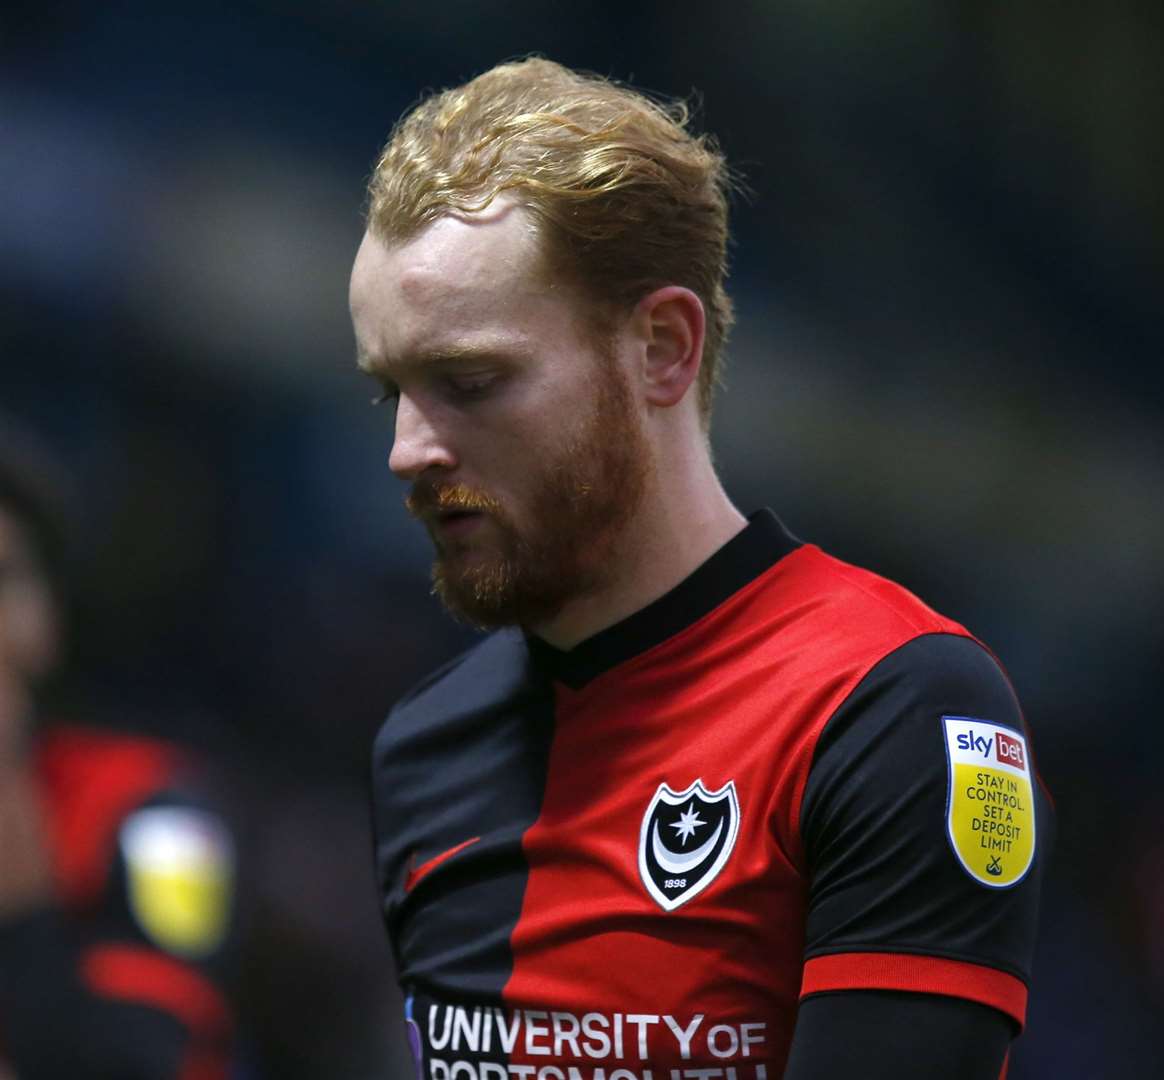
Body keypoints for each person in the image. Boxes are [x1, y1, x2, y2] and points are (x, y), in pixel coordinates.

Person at [352, 58, 1052, 1080]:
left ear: (663, 350)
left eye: (469, 382)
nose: (410, 450)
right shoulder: (421, 747)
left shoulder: (894, 706)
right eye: (393, 393)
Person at [0, 424, 237, 1079]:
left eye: (2, 578)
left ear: (50, 614)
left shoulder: (169, 815)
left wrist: (21, 905)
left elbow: (157, 1051)